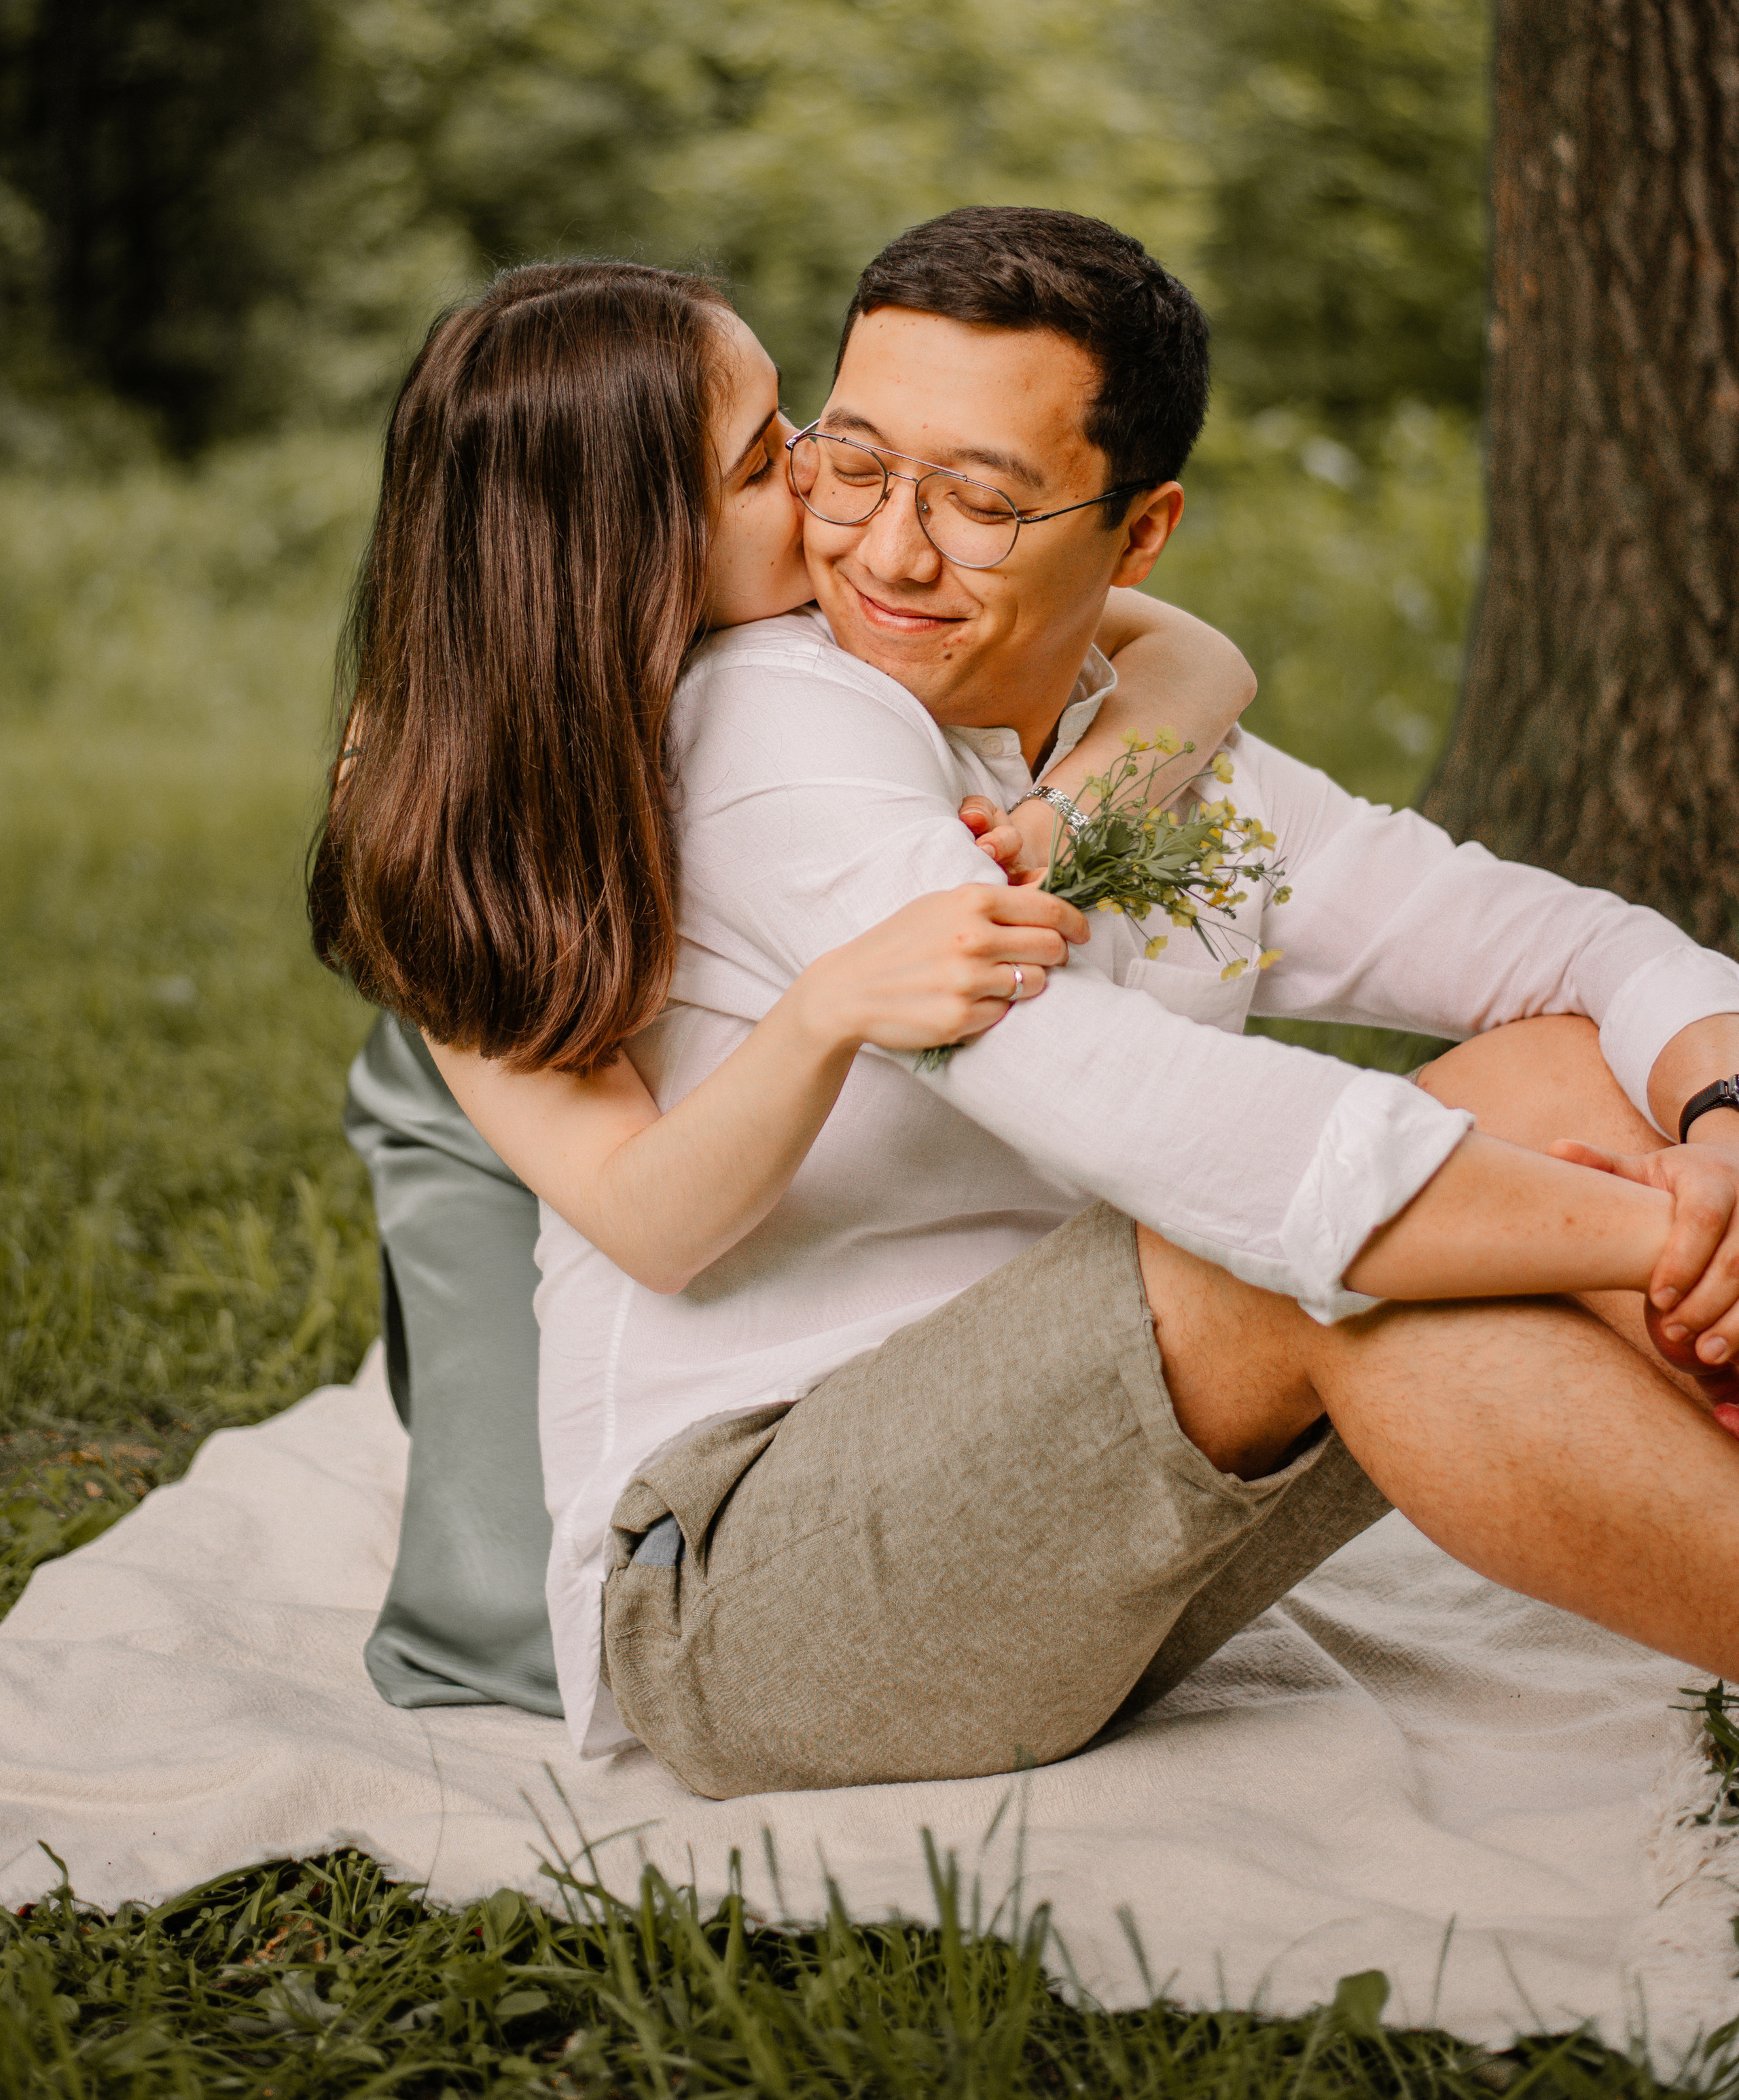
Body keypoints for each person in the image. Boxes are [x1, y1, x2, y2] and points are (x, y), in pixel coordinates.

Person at [338, 213, 1739, 1793]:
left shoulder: (1130, 747)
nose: (879, 547)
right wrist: (1646, 1229)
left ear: (1135, 533)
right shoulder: (755, 725)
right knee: (1265, 1246)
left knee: (1562, 1074)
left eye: (982, 499)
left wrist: (1716, 1136)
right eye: (835, 463)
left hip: (1057, 1538)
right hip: (744, 1590)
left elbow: (1572, 943)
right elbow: (1116, 1101)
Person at [313, 257, 1257, 1714]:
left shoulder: (806, 621)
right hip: (511, 1085)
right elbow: (647, 1216)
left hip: (680, 1052)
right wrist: (825, 1007)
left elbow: (1192, 653)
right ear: (632, 544)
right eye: (769, 457)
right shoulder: (439, 800)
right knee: (499, 1600)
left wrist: (1060, 811)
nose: (826, 477)